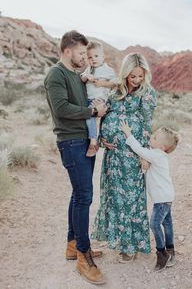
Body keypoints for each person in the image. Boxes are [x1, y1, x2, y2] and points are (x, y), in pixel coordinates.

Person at [44, 30, 107, 285]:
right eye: (81, 52)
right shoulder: (56, 74)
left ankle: (72, 245)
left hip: (83, 141)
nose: (84, 56)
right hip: (70, 142)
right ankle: (84, 254)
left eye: (86, 52)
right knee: (84, 196)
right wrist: (92, 111)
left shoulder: (77, 75)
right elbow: (61, 109)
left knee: (78, 194)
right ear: (67, 51)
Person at [91, 53, 157, 263]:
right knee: (114, 198)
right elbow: (106, 114)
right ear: (125, 73)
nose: (137, 80)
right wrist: (102, 139)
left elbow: (147, 126)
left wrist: (145, 156)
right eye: (132, 76)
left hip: (131, 154)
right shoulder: (117, 89)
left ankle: (131, 246)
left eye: (140, 76)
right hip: (113, 156)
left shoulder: (147, 93)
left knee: (131, 199)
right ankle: (118, 240)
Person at [120, 122, 179, 271]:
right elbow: (146, 160)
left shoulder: (156, 155)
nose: (151, 137)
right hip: (166, 196)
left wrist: (128, 134)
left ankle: (162, 254)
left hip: (162, 199)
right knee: (167, 223)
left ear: (162, 146)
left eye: (155, 137)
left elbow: (139, 150)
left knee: (154, 224)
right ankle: (170, 250)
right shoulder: (158, 155)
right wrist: (144, 164)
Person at [80, 41, 117, 157]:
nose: (93, 59)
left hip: (100, 99)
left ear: (103, 57)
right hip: (89, 99)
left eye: (96, 56)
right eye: (90, 57)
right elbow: (81, 79)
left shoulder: (107, 70)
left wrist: (103, 83)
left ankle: (93, 143)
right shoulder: (89, 69)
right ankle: (94, 140)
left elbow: (116, 83)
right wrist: (86, 77)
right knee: (87, 118)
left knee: (89, 116)